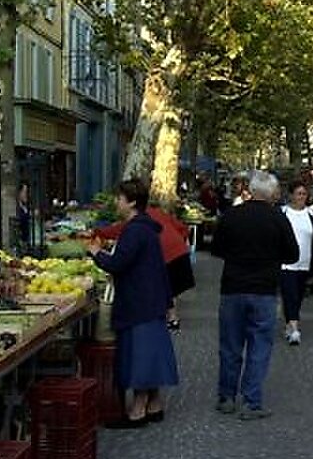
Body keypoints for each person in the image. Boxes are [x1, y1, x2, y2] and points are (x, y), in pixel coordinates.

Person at [87, 179, 180, 429]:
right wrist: (169, 303)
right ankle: (154, 404)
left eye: (119, 198)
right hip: (150, 301)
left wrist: (96, 253)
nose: (117, 202)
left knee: (140, 356)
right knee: (149, 354)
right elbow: (160, 269)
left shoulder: (135, 230)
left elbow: (118, 263)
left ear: (131, 202)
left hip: (138, 302)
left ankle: (138, 410)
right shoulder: (146, 228)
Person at [210, 171, 299, 420]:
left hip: (232, 288)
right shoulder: (278, 219)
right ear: (271, 193)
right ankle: (251, 401)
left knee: (230, 345)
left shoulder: (232, 215)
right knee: (259, 346)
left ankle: (226, 397)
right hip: (264, 290)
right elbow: (292, 254)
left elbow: (216, 249)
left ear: (250, 190)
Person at [96, 203, 193, 333]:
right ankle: (172, 319)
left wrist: (98, 233)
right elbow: (183, 228)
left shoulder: (138, 220)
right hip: (179, 251)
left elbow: (119, 230)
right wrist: (179, 241)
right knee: (170, 287)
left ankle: (170, 318)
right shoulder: (158, 213)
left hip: (167, 254)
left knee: (167, 286)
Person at [279, 181, 313, 345]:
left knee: (298, 296)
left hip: (305, 263)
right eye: (298, 193)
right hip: (286, 264)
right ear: (291, 195)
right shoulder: (282, 213)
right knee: (289, 294)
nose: (301, 197)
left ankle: (288, 323)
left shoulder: (311, 215)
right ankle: (294, 329)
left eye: (304, 194)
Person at [16, 182, 34, 257]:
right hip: (21, 240)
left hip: (28, 238)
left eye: (27, 192)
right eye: (24, 192)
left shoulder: (27, 206)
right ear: (19, 193)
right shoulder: (17, 207)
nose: (26, 194)